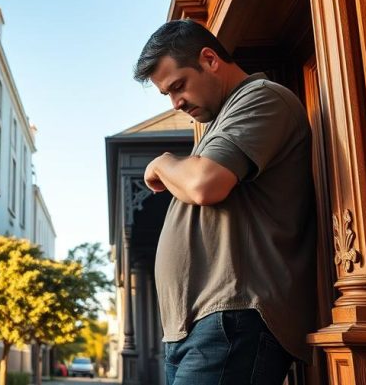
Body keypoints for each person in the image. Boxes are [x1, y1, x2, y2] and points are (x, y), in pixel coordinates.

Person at [133, 20, 316, 385]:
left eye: (179, 86)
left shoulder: (262, 96)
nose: (176, 103)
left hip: (234, 319)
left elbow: (204, 185)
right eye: (167, 95)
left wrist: (163, 162)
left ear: (210, 59)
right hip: (204, 326)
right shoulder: (221, 119)